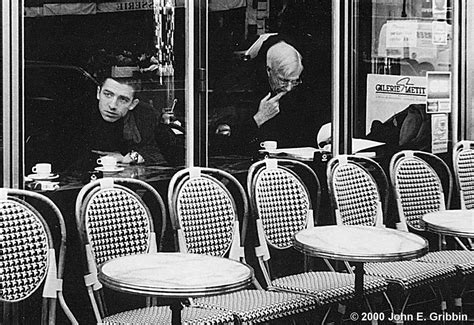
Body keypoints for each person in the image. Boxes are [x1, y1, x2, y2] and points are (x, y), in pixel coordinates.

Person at [210, 34, 326, 155]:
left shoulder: (300, 93)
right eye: (283, 80)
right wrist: (259, 118)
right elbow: (221, 144)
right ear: (268, 70)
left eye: (295, 81)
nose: (289, 88)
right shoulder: (241, 89)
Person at [68, 75, 183, 171]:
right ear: (98, 93)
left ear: (133, 104)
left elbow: (164, 152)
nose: (112, 105)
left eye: (123, 99)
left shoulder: (146, 115)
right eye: (108, 94)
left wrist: (130, 157)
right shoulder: (79, 113)